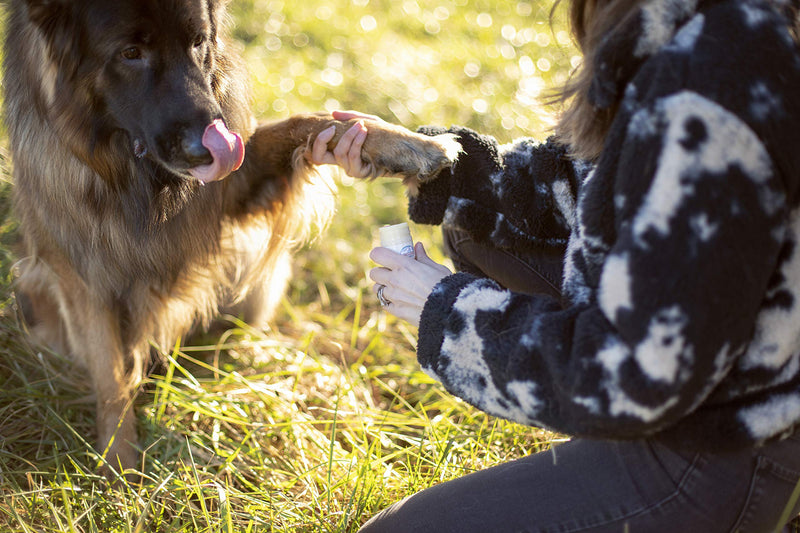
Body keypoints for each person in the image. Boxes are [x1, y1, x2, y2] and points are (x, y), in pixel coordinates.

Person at [310, 0, 800, 530]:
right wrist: (423, 159)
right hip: (707, 379)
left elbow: (638, 373)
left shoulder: (707, 86)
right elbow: (597, 185)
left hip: (732, 441)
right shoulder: (698, 26)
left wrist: (447, 311)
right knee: (475, 228)